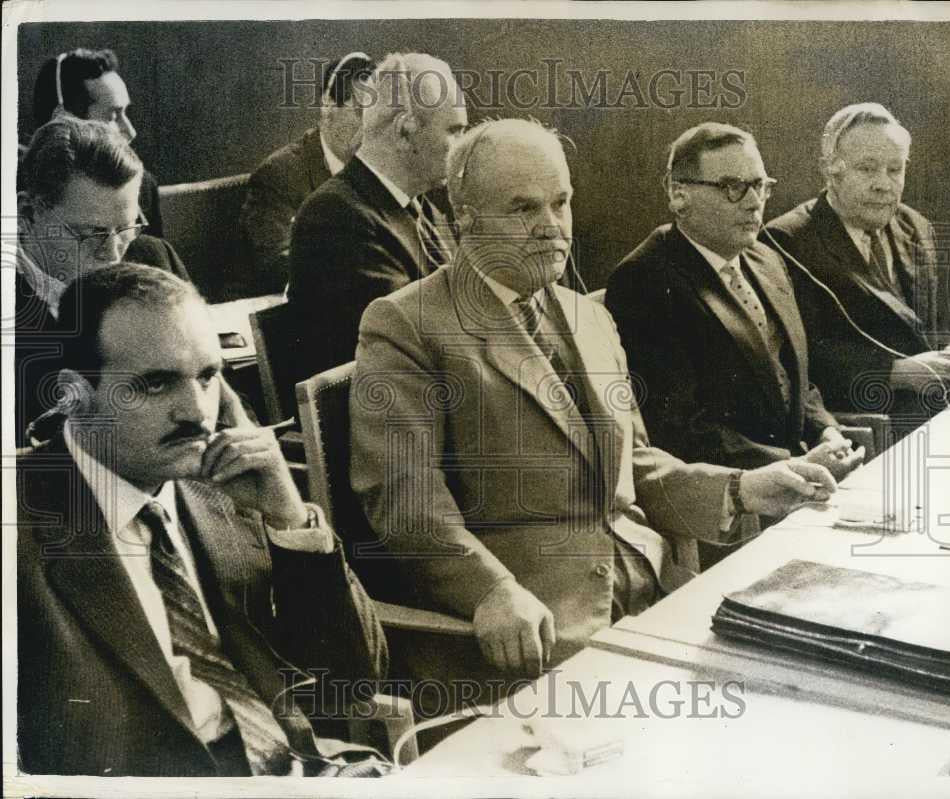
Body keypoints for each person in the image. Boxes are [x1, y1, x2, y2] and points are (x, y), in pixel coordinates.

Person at [349, 118, 837, 699]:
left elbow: (634, 466)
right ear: (465, 218)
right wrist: (490, 591)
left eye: (560, 203)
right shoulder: (408, 324)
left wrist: (739, 489)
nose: (551, 228)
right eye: (523, 209)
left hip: (659, 586)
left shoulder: (589, 315)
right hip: (541, 628)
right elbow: (408, 506)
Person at [17, 263, 389, 777]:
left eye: (208, 376)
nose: (197, 412)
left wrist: (290, 519)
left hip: (289, 770)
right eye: (156, 384)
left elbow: (351, 683)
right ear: (74, 394)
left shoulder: (226, 484)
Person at [606, 123, 863, 484]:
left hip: (800, 471)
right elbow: (677, 429)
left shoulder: (767, 260)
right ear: (679, 195)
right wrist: (792, 464)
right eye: (733, 187)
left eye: (760, 185)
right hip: (730, 501)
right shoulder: (644, 280)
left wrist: (827, 433)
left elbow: (795, 381)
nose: (754, 201)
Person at [764, 103, 950, 433]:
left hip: (939, 413)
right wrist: (896, 372)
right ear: (830, 171)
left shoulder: (914, 225)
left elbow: (926, 325)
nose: (883, 184)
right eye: (867, 169)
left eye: (895, 170)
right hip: (865, 426)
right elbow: (797, 358)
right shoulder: (785, 241)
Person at [288, 51, 467, 382]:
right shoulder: (335, 218)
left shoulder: (421, 207)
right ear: (403, 132)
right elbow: (411, 341)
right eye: (454, 131)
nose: (462, 147)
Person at [14, 116, 188, 445]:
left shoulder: (154, 259)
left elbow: (224, 399)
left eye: (125, 228)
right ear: (28, 214)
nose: (113, 254)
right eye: (92, 233)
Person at [241, 52, 375, 292]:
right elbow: (276, 264)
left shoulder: (375, 171)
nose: (370, 128)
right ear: (328, 107)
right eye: (360, 113)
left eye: (376, 117)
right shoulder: (280, 175)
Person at [30, 47, 164, 236]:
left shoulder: (141, 185)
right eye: (112, 116)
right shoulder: (15, 190)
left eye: (125, 113)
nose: (131, 131)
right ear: (64, 120)